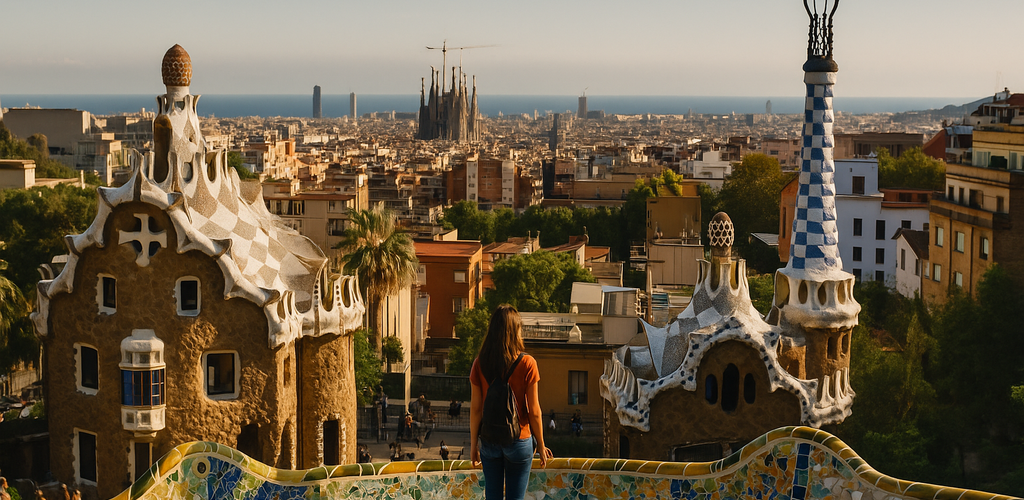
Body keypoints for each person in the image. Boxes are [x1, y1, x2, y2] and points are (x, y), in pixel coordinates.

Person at [470, 304, 553, 500]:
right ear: (515, 331)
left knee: (493, 496)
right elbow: (534, 411)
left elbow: (476, 409)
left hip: (489, 440)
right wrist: (541, 445)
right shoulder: (527, 363)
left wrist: (474, 445)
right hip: (519, 439)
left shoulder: (479, 363)